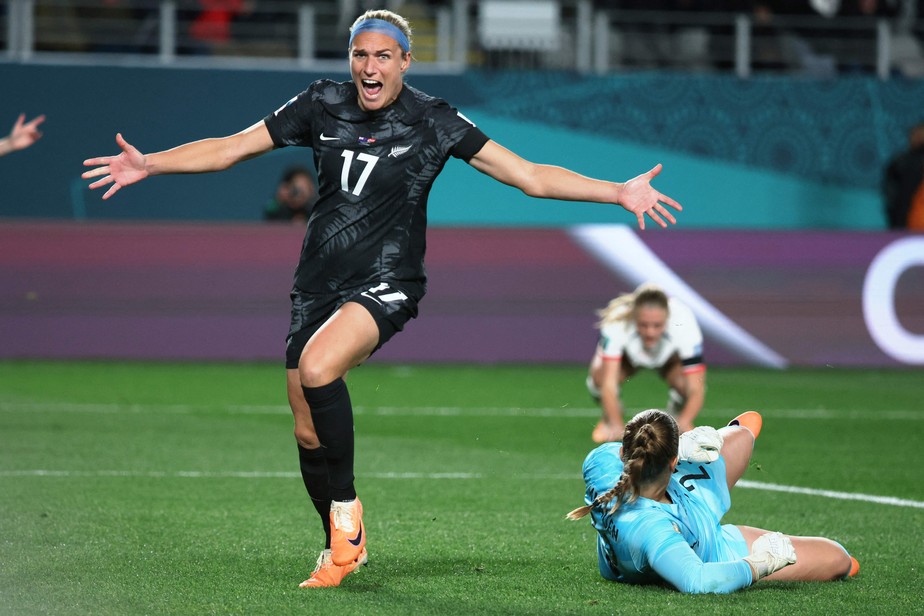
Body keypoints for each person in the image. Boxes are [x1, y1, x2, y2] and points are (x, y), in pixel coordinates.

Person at [81, 9, 682, 589]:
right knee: (306, 428)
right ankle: (344, 542)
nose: (370, 67)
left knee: (319, 369)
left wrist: (617, 192)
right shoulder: (321, 103)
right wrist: (150, 165)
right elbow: (232, 147)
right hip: (316, 282)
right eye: (360, 55)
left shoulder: (435, 120)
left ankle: (345, 522)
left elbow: (528, 175)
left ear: (405, 63)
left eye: (383, 57)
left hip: (388, 280)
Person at [567, 409, 859, 594]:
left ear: (624, 455)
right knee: (840, 559)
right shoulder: (651, 532)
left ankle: (717, 447)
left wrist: (683, 446)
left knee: (745, 431)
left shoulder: (601, 463)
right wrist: (758, 564)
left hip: (679, 497)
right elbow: (698, 580)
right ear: (673, 462)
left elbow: (619, 450)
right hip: (709, 547)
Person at [586, 282, 705, 443]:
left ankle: (677, 415)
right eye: (643, 325)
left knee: (686, 386)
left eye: (657, 325)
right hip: (628, 359)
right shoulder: (617, 320)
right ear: (634, 316)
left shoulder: (684, 320)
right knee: (598, 379)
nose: (650, 332)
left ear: (667, 317)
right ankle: (609, 417)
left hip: (669, 360)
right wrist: (618, 428)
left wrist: (682, 424)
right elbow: (608, 383)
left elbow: (696, 388)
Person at [882, 122, 924, 230]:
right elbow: (891, 193)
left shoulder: (902, 161)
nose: (918, 137)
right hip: (906, 222)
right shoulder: (901, 162)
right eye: (915, 133)